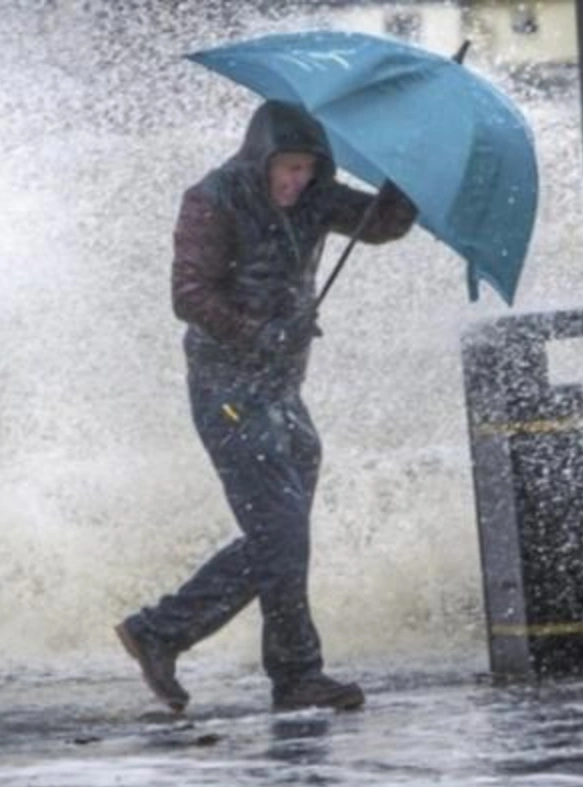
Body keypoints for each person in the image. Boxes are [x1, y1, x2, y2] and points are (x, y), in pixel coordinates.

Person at [115, 100, 417, 713]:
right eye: (288, 168)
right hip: (226, 390)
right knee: (282, 532)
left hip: (282, 391)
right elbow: (189, 295)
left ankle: (164, 632)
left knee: (282, 535)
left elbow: (380, 224)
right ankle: (291, 673)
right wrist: (258, 332)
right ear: (261, 158)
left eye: (308, 169)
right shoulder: (213, 198)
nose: (296, 182)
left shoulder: (316, 197)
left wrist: (403, 181)